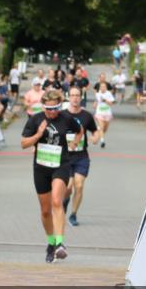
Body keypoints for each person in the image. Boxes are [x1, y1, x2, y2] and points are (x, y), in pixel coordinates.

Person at [20, 89, 84, 263]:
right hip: (41, 168)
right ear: (43, 107)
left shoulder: (66, 118)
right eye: (48, 109)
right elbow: (23, 144)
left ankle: (60, 244)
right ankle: (50, 242)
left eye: (55, 108)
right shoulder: (36, 119)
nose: (52, 112)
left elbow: (80, 130)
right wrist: (39, 134)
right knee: (45, 210)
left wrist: (75, 142)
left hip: (61, 165)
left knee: (57, 201)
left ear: (60, 105)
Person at [62, 86, 100, 227]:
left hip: (81, 157)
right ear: (68, 97)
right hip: (65, 157)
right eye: (72, 95)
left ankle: (73, 214)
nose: (75, 98)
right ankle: (65, 200)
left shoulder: (86, 116)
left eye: (78, 95)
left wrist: (95, 138)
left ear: (81, 97)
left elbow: (95, 132)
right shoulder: (62, 115)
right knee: (68, 187)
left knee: (79, 185)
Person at [94, 80, 115, 148]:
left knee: (105, 129)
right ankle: (102, 141)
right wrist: (95, 104)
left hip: (107, 113)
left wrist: (105, 100)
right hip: (99, 113)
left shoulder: (109, 94)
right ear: (99, 88)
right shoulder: (97, 94)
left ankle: (98, 135)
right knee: (102, 127)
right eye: (101, 87)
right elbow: (96, 102)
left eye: (104, 87)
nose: (103, 88)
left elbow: (111, 103)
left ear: (106, 87)